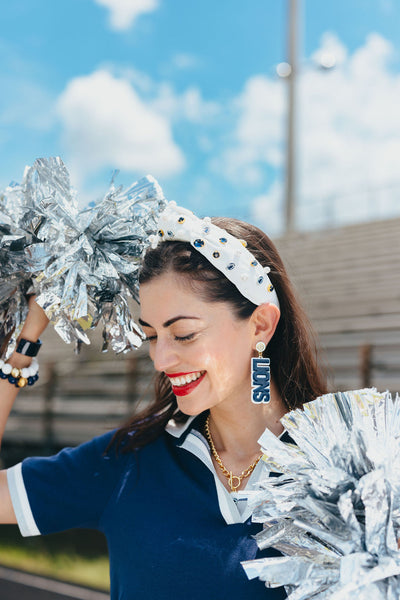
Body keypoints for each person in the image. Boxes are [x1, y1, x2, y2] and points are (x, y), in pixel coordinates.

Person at [0, 201, 327, 599]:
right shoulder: (127, 462)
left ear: (260, 324)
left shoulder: (344, 471)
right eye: (152, 336)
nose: (161, 359)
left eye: (184, 334)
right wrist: (22, 348)